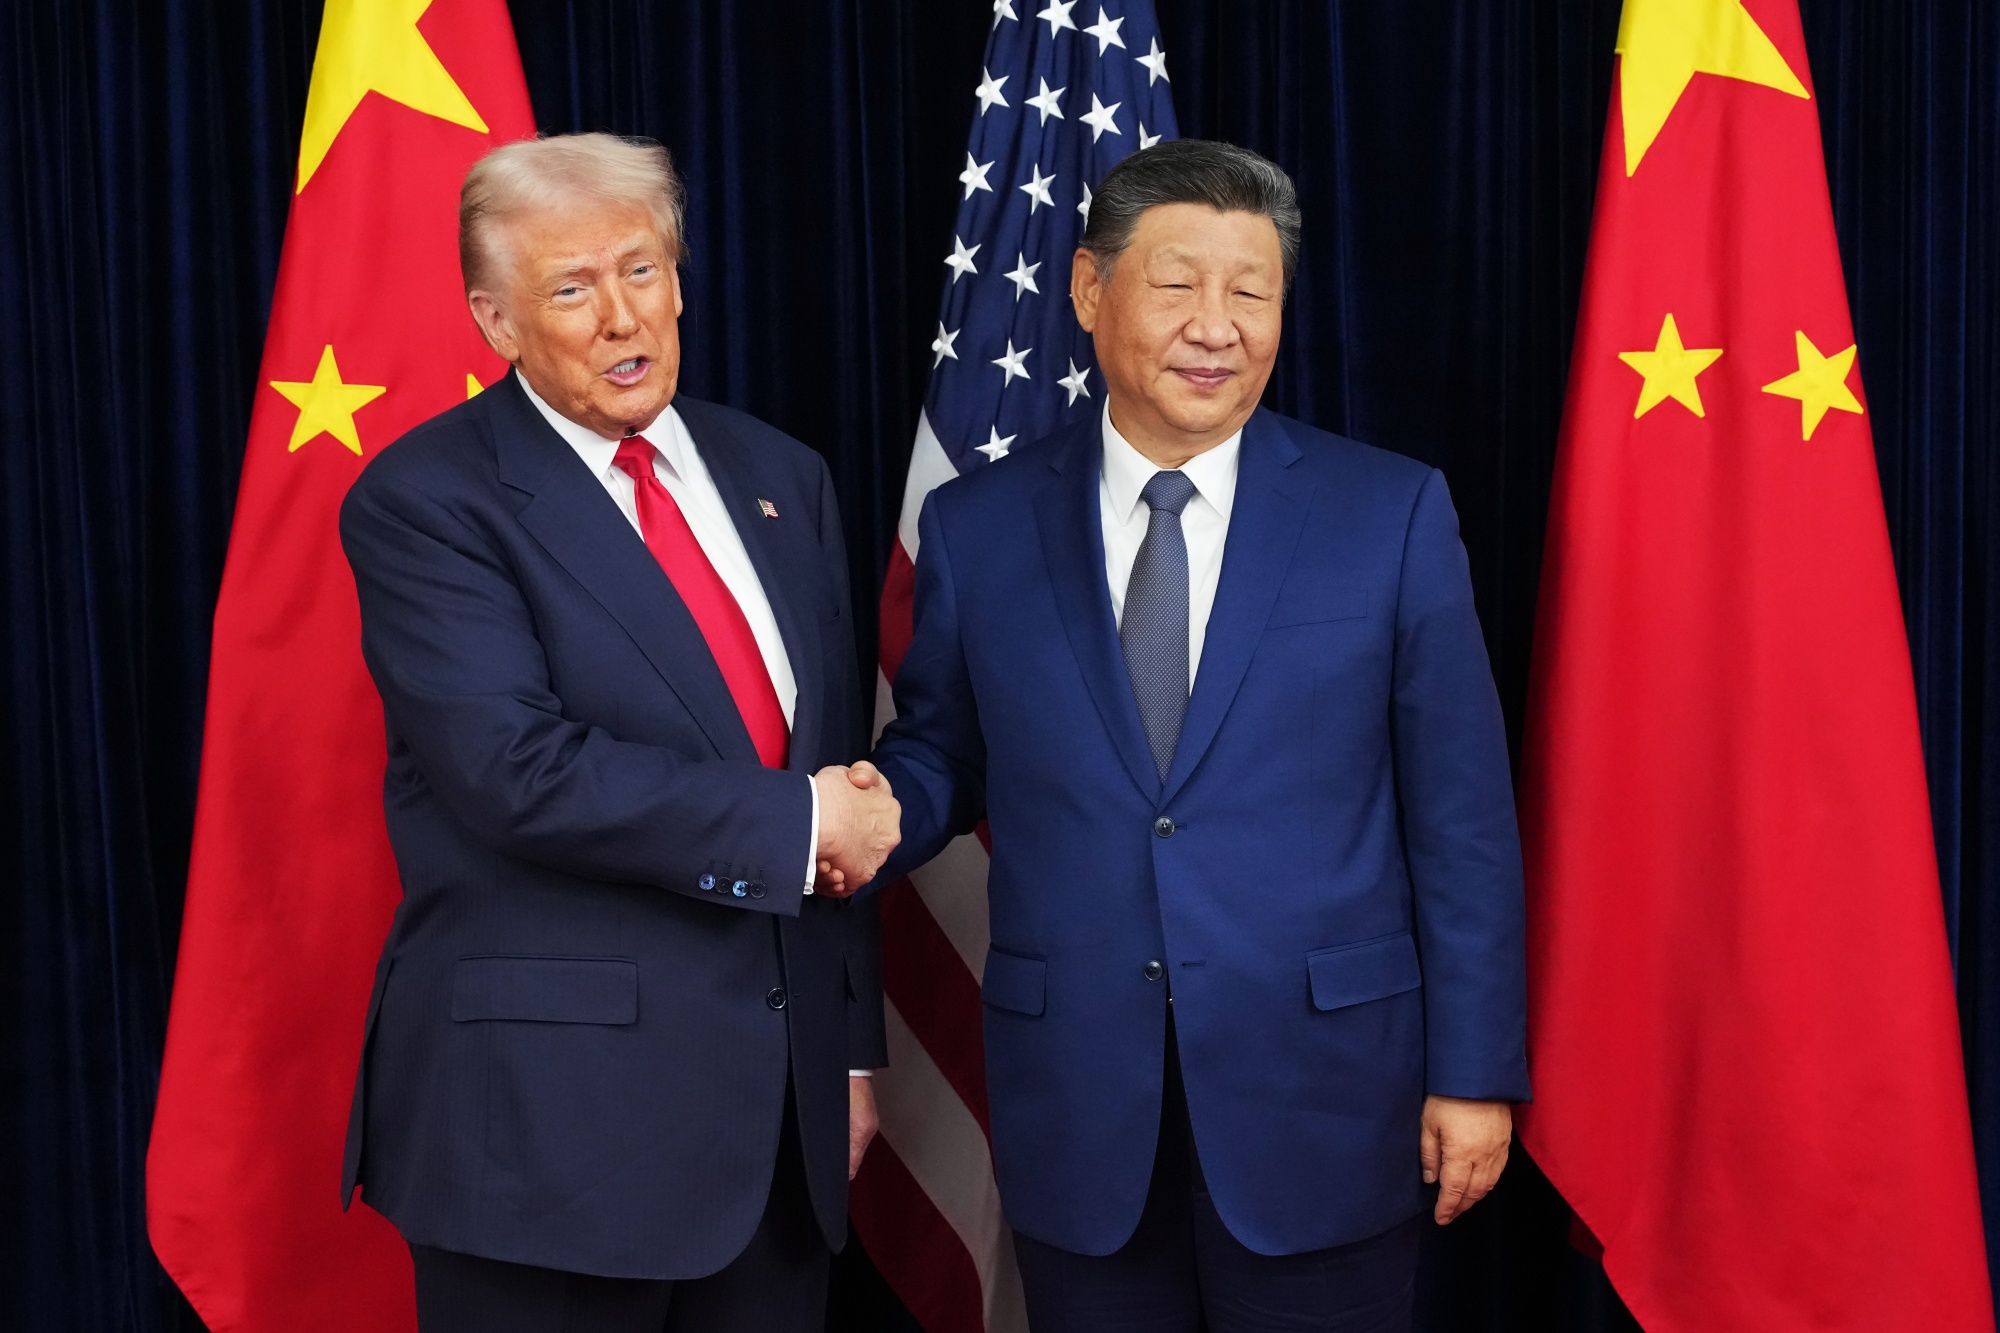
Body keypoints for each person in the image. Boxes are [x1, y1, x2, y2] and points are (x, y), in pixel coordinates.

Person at [868, 139, 1528, 1332]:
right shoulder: (976, 527)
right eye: (1176, 285)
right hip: (1078, 1099)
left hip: (1326, 1097)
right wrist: (860, 814)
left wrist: (1475, 1075)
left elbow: (1462, 820)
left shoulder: (1389, 512)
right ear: (1086, 290)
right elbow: (941, 753)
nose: (1214, 326)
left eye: (1251, 290)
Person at [336, 133, 899, 1333]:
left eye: (639, 270)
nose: (617, 315)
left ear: (681, 281)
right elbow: (511, 771)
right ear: (496, 323)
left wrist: (847, 1050)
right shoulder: (427, 500)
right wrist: (802, 820)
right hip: (551, 1139)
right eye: (568, 289)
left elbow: (829, 762)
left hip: (775, 1141)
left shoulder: (779, 475)